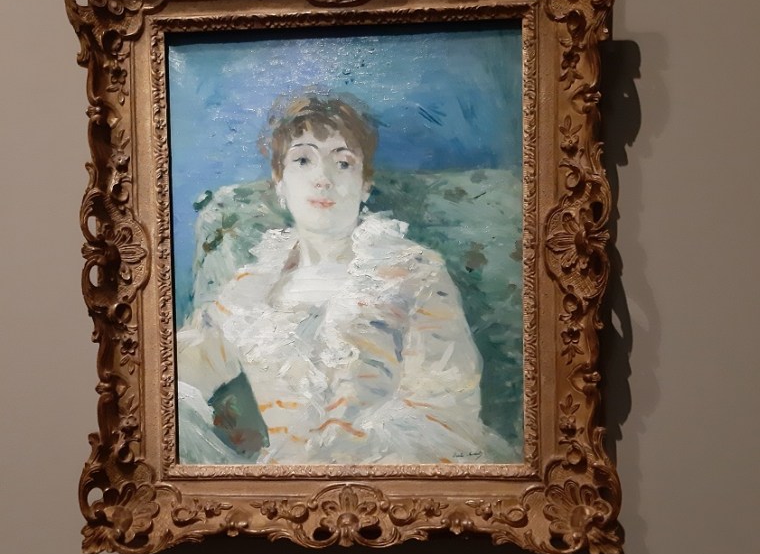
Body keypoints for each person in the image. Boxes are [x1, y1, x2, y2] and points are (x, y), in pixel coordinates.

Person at [176, 94, 510, 465]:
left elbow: (447, 410)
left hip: (400, 474)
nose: (323, 179)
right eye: (303, 160)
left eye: (343, 162)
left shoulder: (415, 273)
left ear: (365, 185)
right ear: (279, 181)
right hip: (288, 482)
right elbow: (179, 371)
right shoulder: (250, 290)